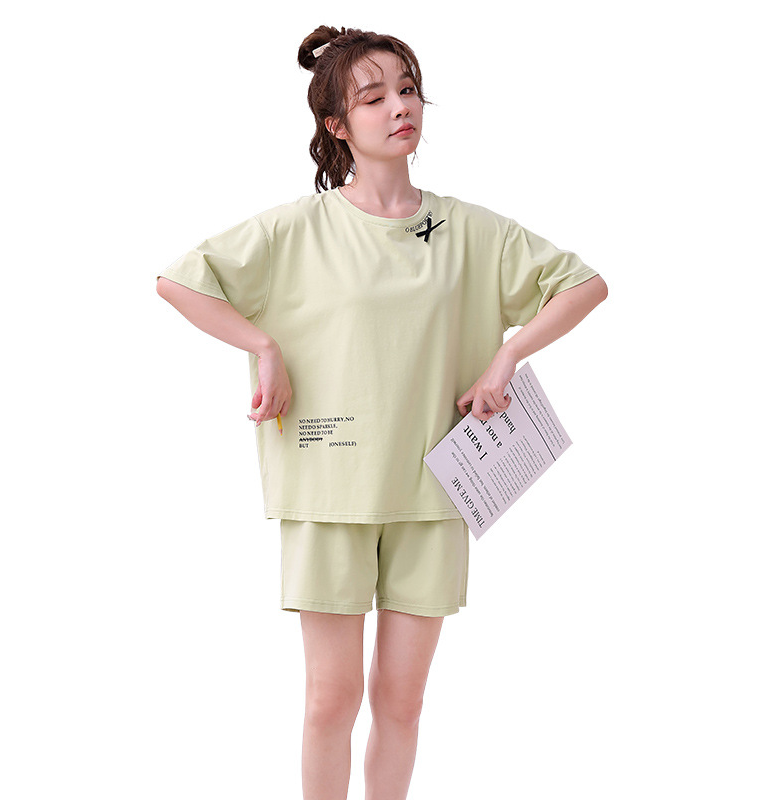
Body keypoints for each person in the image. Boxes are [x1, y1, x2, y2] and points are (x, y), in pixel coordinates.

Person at [156, 24, 607, 800]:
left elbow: (583, 285)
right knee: (331, 702)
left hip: (434, 492)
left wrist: (508, 356)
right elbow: (180, 281)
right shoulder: (297, 229)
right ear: (337, 125)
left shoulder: (472, 230)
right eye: (374, 98)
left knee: (402, 703)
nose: (400, 107)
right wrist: (263, 345)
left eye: (407, 89)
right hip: (329, 489)